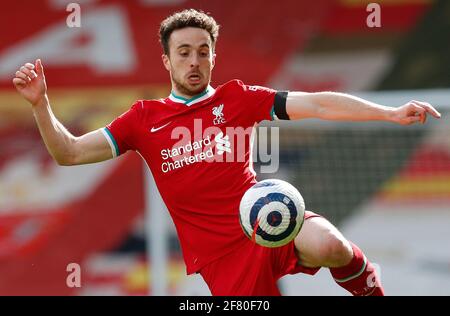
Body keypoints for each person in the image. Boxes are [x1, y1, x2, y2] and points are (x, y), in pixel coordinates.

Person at [13, 9, 441, 296]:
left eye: (203, 52)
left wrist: (390, 113)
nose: (194, 61)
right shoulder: (143, 119)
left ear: (214, 55)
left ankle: (369, 285)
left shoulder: (237, 98)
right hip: (219, 258)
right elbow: (68, 153)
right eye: (183, 53)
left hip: (269, 220)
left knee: (331, 245)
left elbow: (318, 103)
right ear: (166, 60)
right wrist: (40, 104)